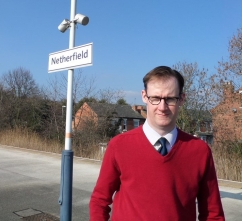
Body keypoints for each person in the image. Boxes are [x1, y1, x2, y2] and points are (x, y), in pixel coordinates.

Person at [89, 66, 225, 220]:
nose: (162, 107)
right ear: (144, 96)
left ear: (181, 99)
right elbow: (100, 201)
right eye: (155, 98)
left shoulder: (199, 151)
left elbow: (213, 214)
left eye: (170, 99)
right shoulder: (119, 146)